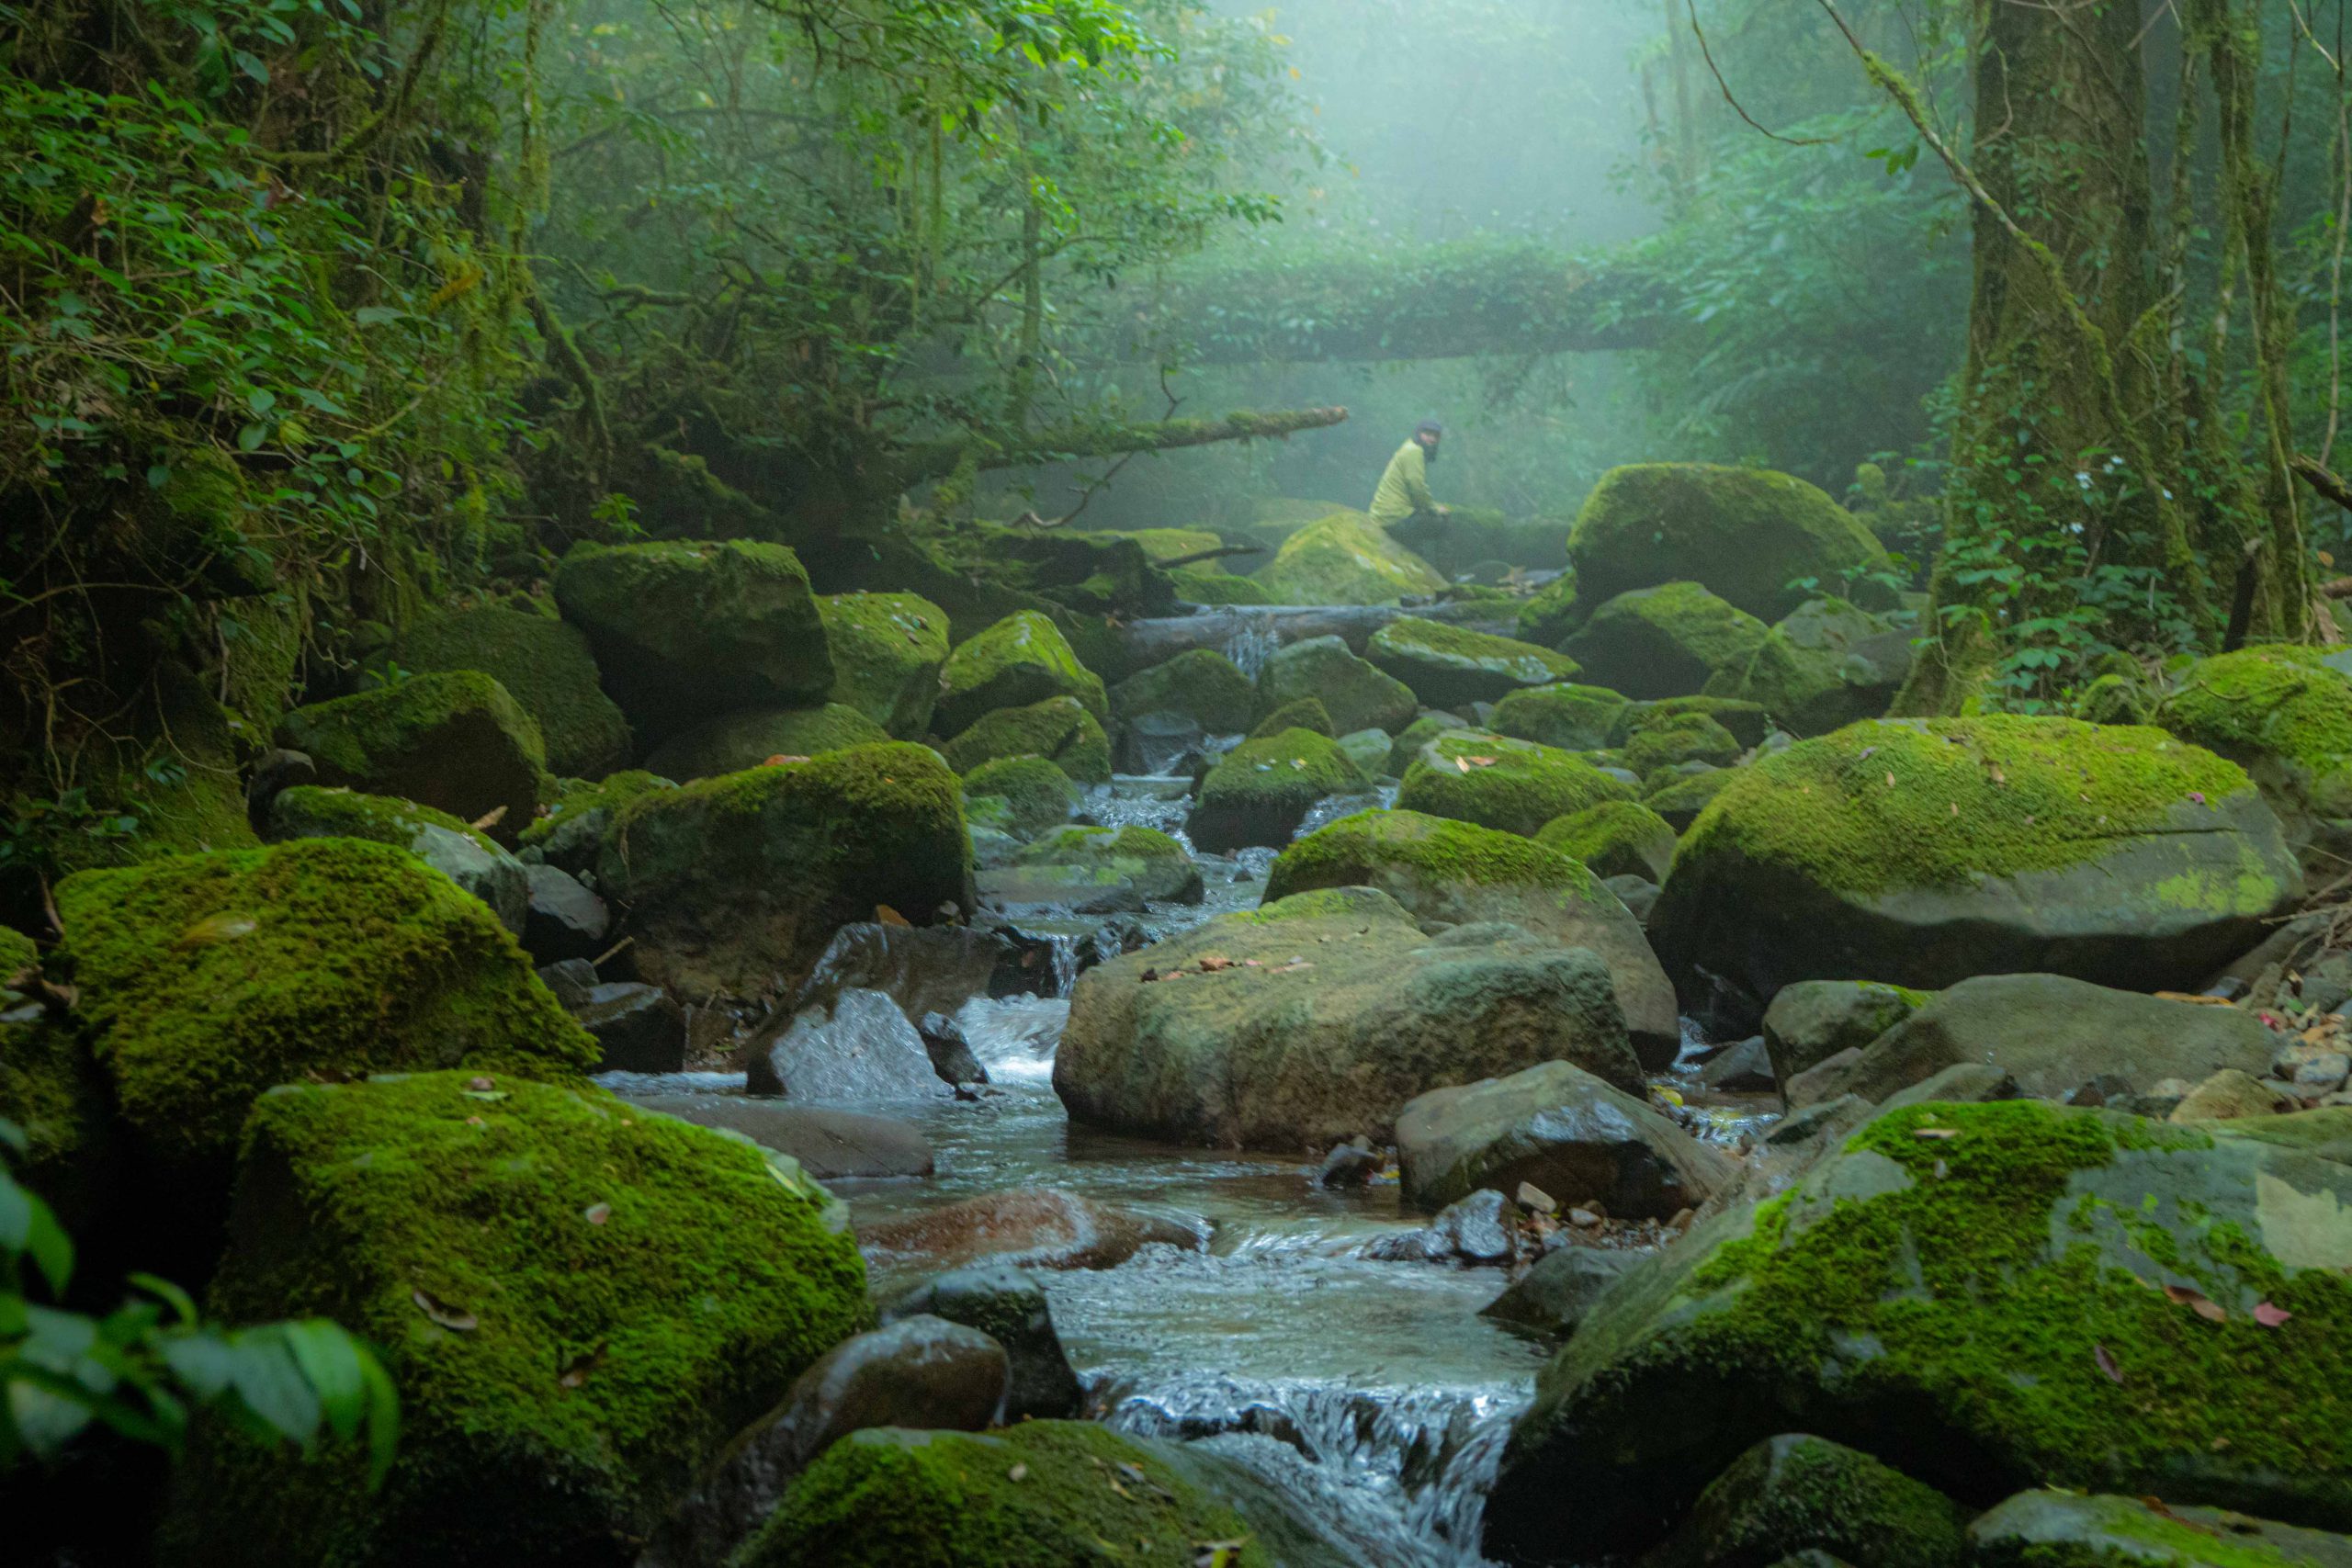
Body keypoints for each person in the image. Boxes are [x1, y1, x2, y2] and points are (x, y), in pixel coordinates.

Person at [1369, 419, 1450, 529]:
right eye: (1427, 434)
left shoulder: (1410, 446)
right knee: (1440, 522)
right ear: (1418, 433)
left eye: (1435, 436)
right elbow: (1417, 487)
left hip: (1385, 514)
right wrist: (1434, 508)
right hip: (1393, 517)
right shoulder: (1415, 451)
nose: (1432, 439)